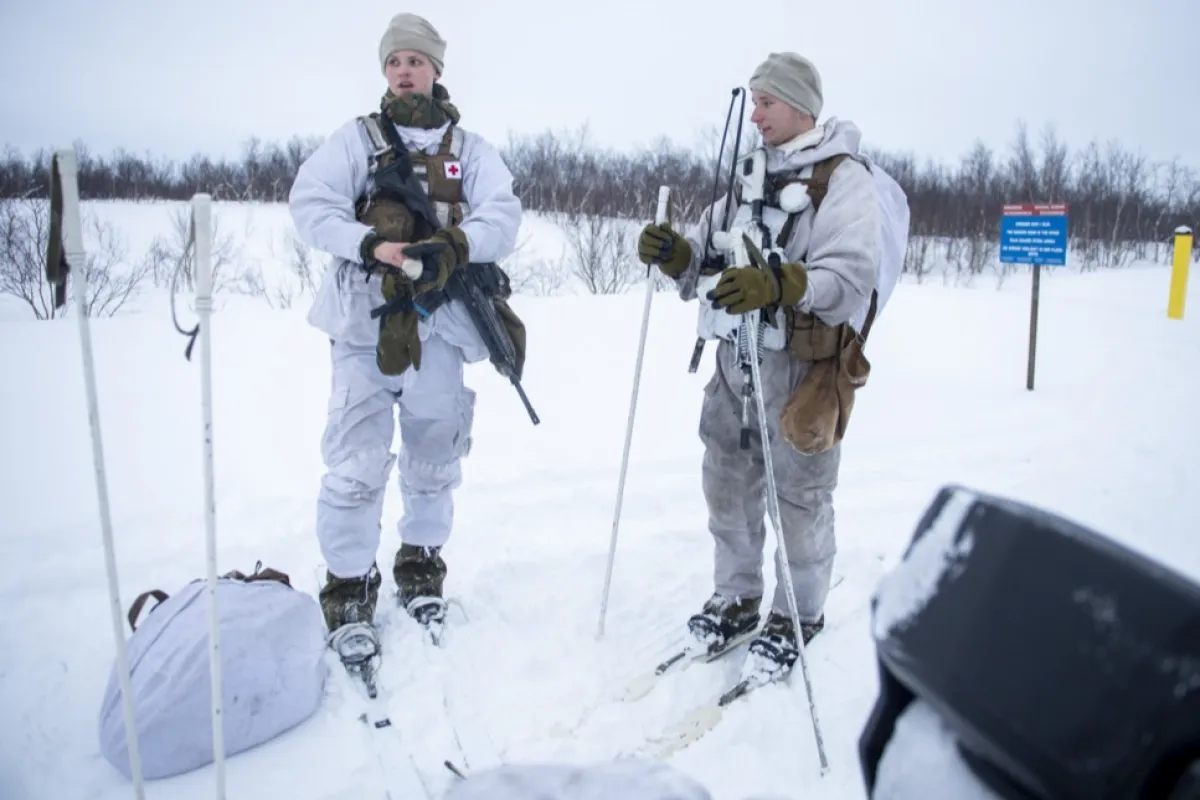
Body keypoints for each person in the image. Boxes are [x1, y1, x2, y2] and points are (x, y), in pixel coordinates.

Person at [636, 52, 889, 681]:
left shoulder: (842, 180)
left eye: (766, 102)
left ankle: (798, 614)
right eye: (752, 102)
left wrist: (779, 283)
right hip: (732, 363)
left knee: (799, 497)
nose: (756, 114)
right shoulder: (747, 174)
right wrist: (678, 257)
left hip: (800, 370)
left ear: (801, 103)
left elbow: (851, 273)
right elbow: (710, 263)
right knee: (726, 481)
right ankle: (737, 594)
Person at [288, 12, 522, 652]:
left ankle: (420, 571)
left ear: (436, 69)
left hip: (442, 322)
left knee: (433, 456)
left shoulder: (471, 151)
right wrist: (370, 246)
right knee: (356, 461)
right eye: (394, 62)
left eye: (415, 61)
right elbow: (311, 205)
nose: (403, 70)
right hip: (366, 319)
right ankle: (348, 589)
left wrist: (455, 244)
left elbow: (503, 215)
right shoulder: (357, 141)